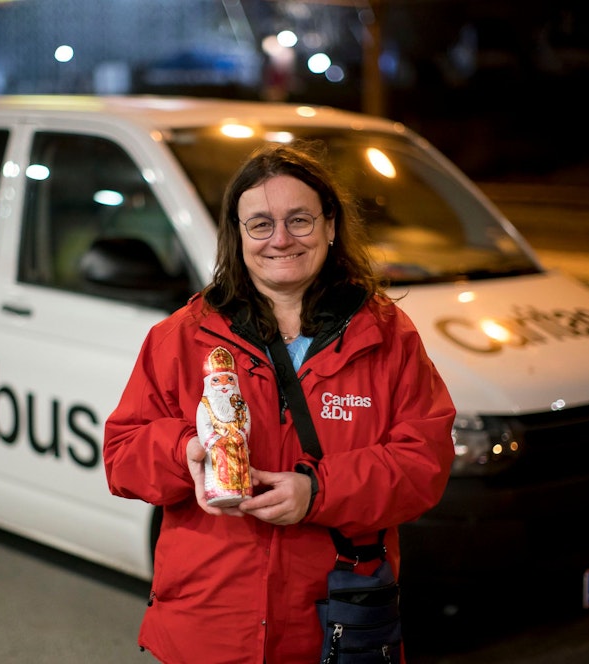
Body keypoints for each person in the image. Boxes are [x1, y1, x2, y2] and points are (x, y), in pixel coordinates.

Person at [104, 141, 456, 663]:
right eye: (261, 224)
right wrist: (185, 451)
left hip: (333, 627)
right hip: (209, 627)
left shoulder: (386, 336)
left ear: (331, 226)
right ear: (238, 235)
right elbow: (122, 456)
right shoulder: (181, 336)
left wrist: (318, 491)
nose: (281, 240)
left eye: (300, 220)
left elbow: (423, 462)